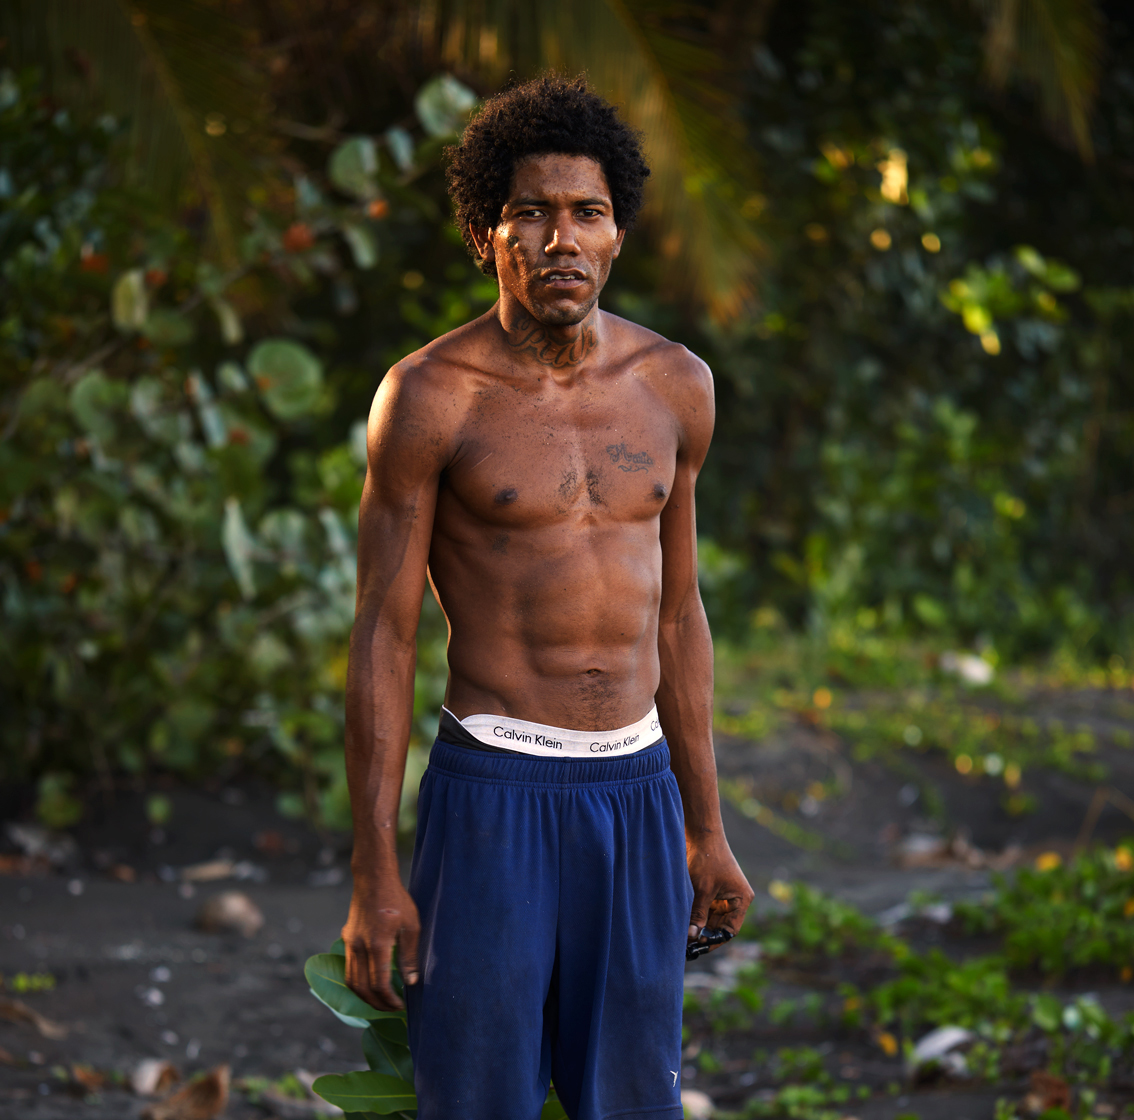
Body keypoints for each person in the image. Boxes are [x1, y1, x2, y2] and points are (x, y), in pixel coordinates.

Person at [341, 75, 754, 1120]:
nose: (560, 237)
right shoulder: (431, 398)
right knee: (478, 1098)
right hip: (494, 795)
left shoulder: (676, 388)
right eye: (530, 212)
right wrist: (374, 870)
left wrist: (705, 826)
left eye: (586, 212)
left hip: (639, 794)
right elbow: (385, 635)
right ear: (487, 237)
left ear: (618, 235)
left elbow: (679, 614)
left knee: (631, 1097)